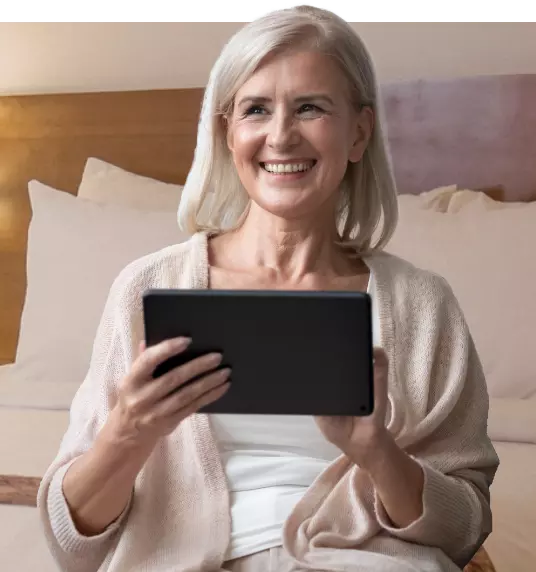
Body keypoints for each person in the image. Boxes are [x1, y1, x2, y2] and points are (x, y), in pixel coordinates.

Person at [37, 4, 499, 572]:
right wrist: (127, 435)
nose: (281, 135)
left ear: (358, 132)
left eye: (310, 107)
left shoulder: (424, 306)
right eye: (256, 109)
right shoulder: (147, 288)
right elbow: (70, 544)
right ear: (229, 133)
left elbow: (465, 529)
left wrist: (376, 452)